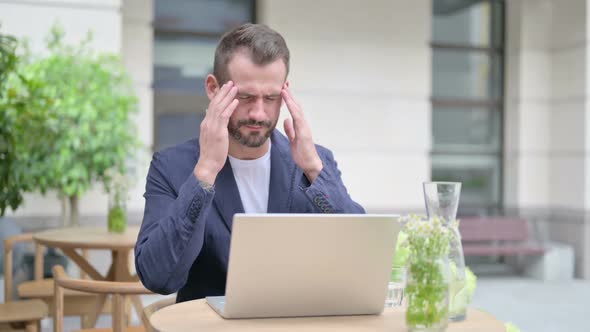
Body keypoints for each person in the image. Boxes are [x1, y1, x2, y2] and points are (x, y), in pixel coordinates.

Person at [135, 23, 364, 303]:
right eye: (245, 97)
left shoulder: (314, 162)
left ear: (285, 92)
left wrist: (315, 170)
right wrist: (204, 173)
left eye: (271, 98)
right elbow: (158, 277)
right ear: (213, 88)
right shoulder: (171, 167)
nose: (258, 113)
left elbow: (361, 259)